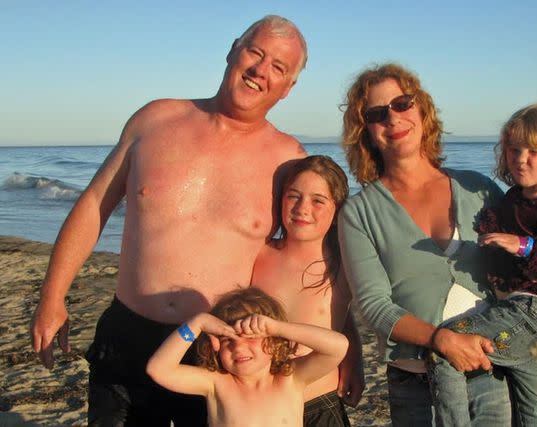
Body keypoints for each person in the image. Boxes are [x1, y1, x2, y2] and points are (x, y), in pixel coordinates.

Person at [29, 15, 307, 426]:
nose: (260, 71)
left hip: (217, 350)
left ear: (288, 88)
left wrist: (314, 339)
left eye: (279, 68)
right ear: (233, 49)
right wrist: (53, 297)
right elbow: (94, 205)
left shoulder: (289, 161)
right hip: (127, 333)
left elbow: (301, 258)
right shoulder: (155, 120)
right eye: (255, 52)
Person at [337, 63, 512, 426]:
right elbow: (373, 306)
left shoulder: (478, 189)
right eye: (376, 113)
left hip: (492, 373)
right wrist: (440, 339)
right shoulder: (359, 212)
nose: (393, 118)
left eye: (402, 104)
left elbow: (521, 268)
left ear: (422, 110)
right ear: (365, 131)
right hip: (416, 384)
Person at [430, 103, 537, 426]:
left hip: (531, 312)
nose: (520, 158)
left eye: (534, 151)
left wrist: (522, 245)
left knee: (445, 345)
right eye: (514, 149)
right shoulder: (513, 198)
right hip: (534, 322)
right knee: (533, 413)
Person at [251, 155, 365, 426]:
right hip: (262, 404)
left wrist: (355, 359)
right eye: (293, 196)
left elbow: (340, 314)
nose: (303, 208)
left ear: (337, 210)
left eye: (318, 200)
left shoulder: (343, 265)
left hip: (318, 401)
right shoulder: (259, 254)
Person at [146, 287, 349, 427]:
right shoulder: (216, 383)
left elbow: (338, 347)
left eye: (251, 338)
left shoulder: (290, 379)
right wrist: (196, 324)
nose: (238, 347)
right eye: (228, 340)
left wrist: (278, 327)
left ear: (275, 341)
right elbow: (158, 369)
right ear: (215, 347)